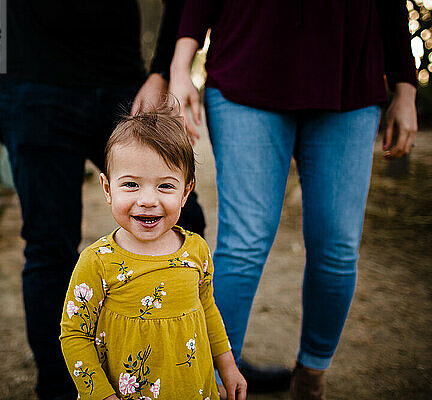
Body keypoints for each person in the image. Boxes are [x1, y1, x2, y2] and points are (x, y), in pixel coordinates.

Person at [169, 1, 418, 399]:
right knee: (244, 243)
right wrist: (180, 67)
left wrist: (406, 86)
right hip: (246, 70)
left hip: (348, 79)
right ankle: (211, 382)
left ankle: (312, 373)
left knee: (338, 247)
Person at [0, 2, 210, 399]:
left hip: (122, 83)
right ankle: (60, 390)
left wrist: (161, 71)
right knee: (48, 247)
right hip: (34, 81)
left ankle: (198, 355)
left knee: (186, 222)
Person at [60, 105, 247, 400]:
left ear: (186, 192)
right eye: (131, 184)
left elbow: (208, 310)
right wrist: (100, 395)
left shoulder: (196, 250)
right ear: (108, 189)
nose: (147, 200)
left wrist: (228, 367)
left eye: (165, 186)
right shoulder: (97, 261)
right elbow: (74, 334)